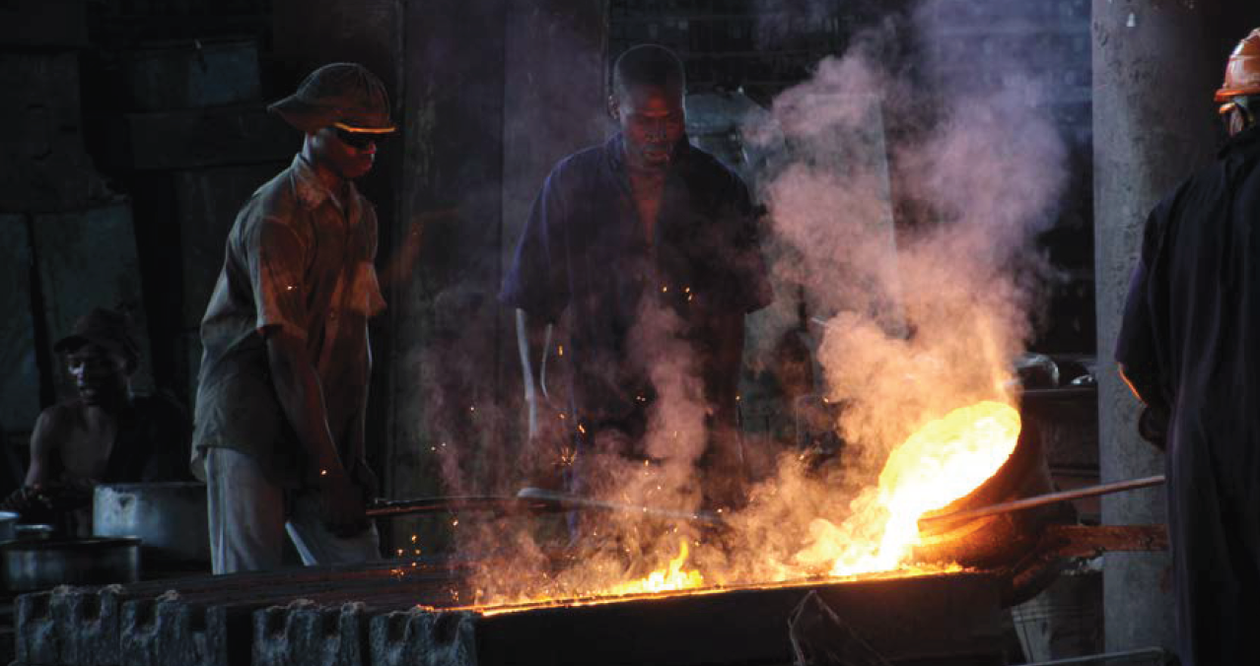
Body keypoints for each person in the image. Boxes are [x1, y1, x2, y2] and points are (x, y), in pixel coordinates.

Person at [501, 44, 771, 512]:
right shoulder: (572, 184)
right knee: (602, 563)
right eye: (644, 121)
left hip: (696, 416)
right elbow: (531, 297)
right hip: (600, 417)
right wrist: (536, 403)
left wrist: (727, 428)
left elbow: (731, 318)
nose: (659, 136)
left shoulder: (718, 189)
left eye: (672, 119)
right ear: (614, 107)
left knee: (706, 559)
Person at [193, 63, 392, 574]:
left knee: (361, 576)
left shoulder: (360, 217)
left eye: (376, 140)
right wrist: (330, 473)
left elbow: (354, 344)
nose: (369, 150)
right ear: (313, 129)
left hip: (314, 419)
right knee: (248, 588)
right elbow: (286, 355)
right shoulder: (276, 217)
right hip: (250, 421)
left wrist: (352, 457)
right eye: (355, 139)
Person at [1116, 27, 1260, 666]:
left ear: (1235, 114)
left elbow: (1133, 361)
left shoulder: (1174, 210)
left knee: (1216, 636)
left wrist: (1183, 418)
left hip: (1200, 461)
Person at [1, 308, 192, 536]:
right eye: (76, 363)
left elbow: (162, 500)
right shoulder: (55, 423)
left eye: (100, 362)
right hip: (81, 553)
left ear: (130, 365)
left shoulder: (160, 418)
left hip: (150, 547)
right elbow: (31, 505)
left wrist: (97, 494)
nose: (84, 373)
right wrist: (23, 501)